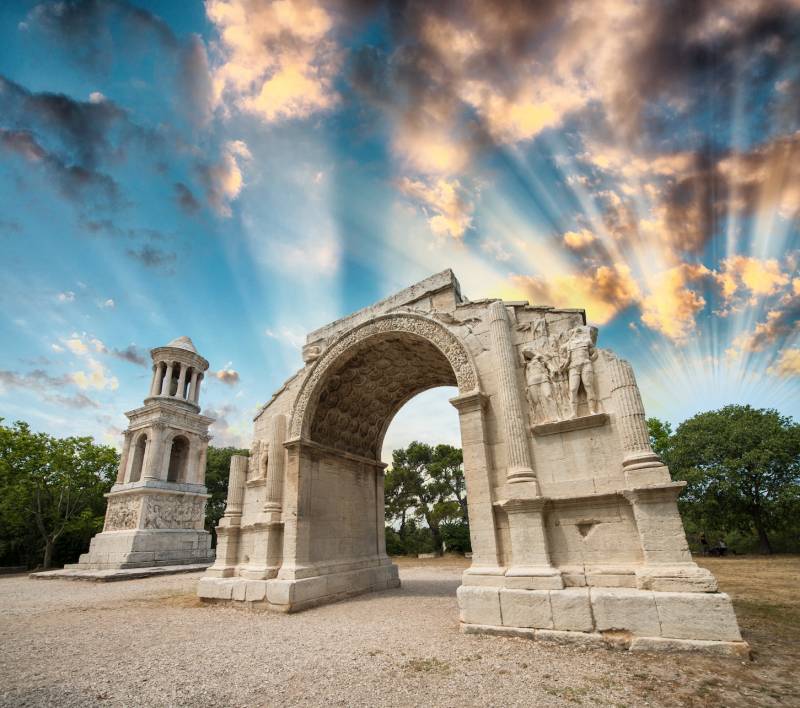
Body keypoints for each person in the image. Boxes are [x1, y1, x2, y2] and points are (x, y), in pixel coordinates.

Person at [561, 325, 599, 418]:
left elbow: (595, 352)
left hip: (586, 364)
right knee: (573, 389)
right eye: (574, 332)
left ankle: (592, 410)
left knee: (589, 386)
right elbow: (563, 356)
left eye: (579, 331)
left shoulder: (587, 341)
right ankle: (573, 413)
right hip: (573, 367)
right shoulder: (568, 345)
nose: (576, 333)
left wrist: (590, 359)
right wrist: (563, 366)